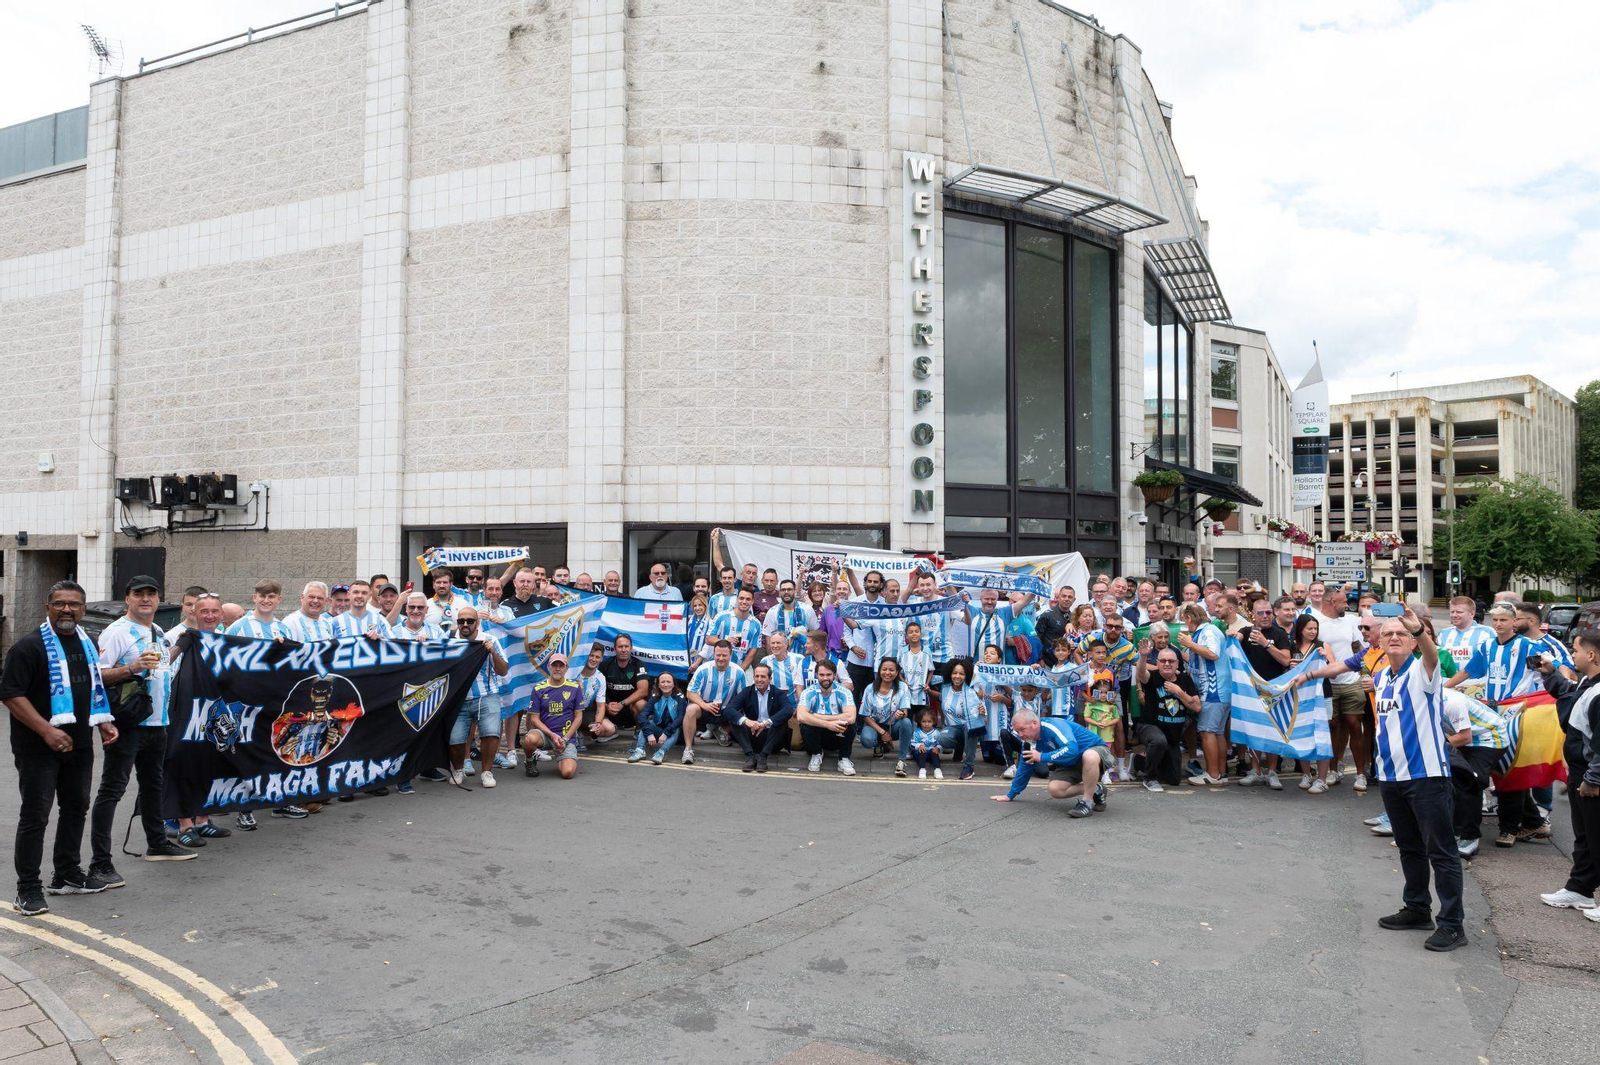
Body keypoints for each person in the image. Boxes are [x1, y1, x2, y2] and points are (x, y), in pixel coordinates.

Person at [1320, 606, 1469, 952]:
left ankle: (1452, 924)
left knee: (1442, 853)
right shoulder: (1383, 676)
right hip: (1391, 777)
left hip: (1427, 776)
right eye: (1388, 634)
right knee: (1409, 848)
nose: (1394, 638)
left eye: (1401, 633)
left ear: (1413, 641)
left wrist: (1420, 632)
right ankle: (1417, 908)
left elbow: (1431, 655)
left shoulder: (1422, 671)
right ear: (1380, 643)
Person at [2, 581, 121, 913]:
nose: (67, 609)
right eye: (60, 604)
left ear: (83, 610)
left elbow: (90, 688)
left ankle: (67, 874)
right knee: (35, 816)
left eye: (74, 604)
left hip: (79, 743)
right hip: (37, 748)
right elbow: (11, 694)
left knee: (74, 809)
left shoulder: (86, 643)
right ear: (48, 608)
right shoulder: (29, 647)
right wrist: (46, 730)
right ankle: (27, 888)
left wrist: (102, 721)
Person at [92, 575, 196, 873]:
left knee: (153, 786)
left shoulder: (158, 629)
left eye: (151, 594)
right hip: (128, 722)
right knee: (112, 790)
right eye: (139, 594)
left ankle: (157, 842)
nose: (146, 599)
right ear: (127, 598)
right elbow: (98, 677)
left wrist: (182, 646)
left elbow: (161, 667)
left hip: (157, 723)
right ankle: (101, 861)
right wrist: (131, 668)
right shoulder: (117, 632)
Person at [1446, 603, 1546, 844]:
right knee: (1501, 771)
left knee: (1509, 771)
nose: (1499, 624)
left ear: (1515, 622)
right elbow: (1469, 671)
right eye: (1495, 620)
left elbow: (1546, 672)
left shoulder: (1527, 646)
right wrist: (1443, 688)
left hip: (1518, 711)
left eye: (1504, 620)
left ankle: (1509, 827)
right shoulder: (1487, 646)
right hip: (1493, 710)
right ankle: (1533, 821)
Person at [1535, 634, 1600, 918]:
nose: (1571, 656)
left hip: (1591, 777)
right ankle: (1580, 888)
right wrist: (1549, 674)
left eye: (1575, 651)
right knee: (1585, 837)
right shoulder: (1588, 683)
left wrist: (1593, 779)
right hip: (1579, 772)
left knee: (1597, 838)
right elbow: (1569, 697)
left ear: (1592, 655)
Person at [991, 711, 1109, 818]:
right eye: (1017, 732)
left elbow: (1072, 749)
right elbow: (1025, 766)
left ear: (1035, 723)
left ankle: (1086, 803)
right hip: (1072, 763)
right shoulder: (1029, 741)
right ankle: (1097, 789)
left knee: (1089, 756)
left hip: (1096, 752)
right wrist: (1010, 795)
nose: (1020, 735)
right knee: (1055, 789)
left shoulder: (1052, 726)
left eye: (1023, 729)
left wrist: (1041, 756)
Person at [1313, 588, 1368, 790]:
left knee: (1355, 724)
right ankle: (1334, 770)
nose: (1347, 605)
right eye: (1344, 602)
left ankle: (1361, 774)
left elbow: (1357, 648)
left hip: (1351, 680)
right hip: (1327, 683)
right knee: (1333, 727)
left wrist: (1367, 670)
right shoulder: (1315, 621)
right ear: (1332, 602)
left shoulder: (1350, 621)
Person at [446, 608, 508, 787]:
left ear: (477, 623)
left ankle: (487, 772)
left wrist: (492, 652)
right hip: (458, 698)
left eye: (470, 621)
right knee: (455, 739)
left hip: (486, 695)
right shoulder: (449, 640)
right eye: (461, 621)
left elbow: (503, 670)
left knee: (490, 734)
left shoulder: (490, 640)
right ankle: (458, 770)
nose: (465, 624)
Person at [1236, 597, 1293, 789]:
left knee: (1273, 731)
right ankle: (1255, 770)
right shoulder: (1246, 631)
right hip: (1251, 690)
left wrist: (1265, 644)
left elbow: (1286, 660)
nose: (1265, 616)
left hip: (1273, 690)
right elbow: (1235, 642)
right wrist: (1231, 634)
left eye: (1268, 612)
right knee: (1253, 730)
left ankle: (1272, 772)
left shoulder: (1279, 634)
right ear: (1253, 614)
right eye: (1260, 613)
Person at [1176, 602, 1228, 786]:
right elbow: (1202, 659)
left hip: (1213, 690)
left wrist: (1190, 644)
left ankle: (1212, 775)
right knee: (1217, 732)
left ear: (1189, 617)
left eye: (1184, 621)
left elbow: (1213, 654)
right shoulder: (1206, 631)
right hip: (1219, 690)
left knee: (1207, 732)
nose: (1185, 625)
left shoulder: (1208, 631)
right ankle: (1220, 773)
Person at [1135, 647, 1200, 792]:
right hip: (1149, 726)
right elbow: (1140, 674)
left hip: (1172, 736)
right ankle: (1150, 778)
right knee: (1158, 741)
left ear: (1177, 663)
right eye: (1163, 660)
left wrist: (1179, 692)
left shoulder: (1185, 680)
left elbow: (1197, 707)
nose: (1167, 664)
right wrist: (1143, 656)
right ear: (1157, 663)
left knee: (1174, 779)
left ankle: (1138, 762)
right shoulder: (1152, 676)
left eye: (1171, 661)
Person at [685, 640, 748, 766]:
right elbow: (690, 693)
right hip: (705, 708)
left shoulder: (739, 672)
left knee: (744, 714)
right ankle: (688, 750)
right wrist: (704, 705)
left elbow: (743, 698)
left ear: (730, 655)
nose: (720, 658)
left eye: (724, 655)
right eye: (718, 655)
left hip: (726, 711)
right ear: (713, 654)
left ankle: (722, 729)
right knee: (691, 709)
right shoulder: (703, 669)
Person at [723, 663, 794, 772]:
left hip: (772, 739)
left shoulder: (778, 693)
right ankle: (751, 756)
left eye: (763, 676)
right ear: (753, 677)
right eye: (757, 676)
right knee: (736, 721)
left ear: (770, 678)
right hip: (753, 735)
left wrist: (766, 723)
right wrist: (747, 721)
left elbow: (788, 710)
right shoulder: (747, 691)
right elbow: (729, 710)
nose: (759, 679)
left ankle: (763, 757)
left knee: (781, 722)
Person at [522, 655, 583, 779]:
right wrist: (552, 735)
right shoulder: (539, 688)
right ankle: (529, 760)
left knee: (567, 773)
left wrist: (565, 739)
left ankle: (563, 757)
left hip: (566, 737)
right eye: (554, 665)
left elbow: (578, 717)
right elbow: (534, 719)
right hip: (545, 734)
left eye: (561, 666)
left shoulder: (575, 688)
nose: (557, 669)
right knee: (529, 740)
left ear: (566, 668)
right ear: (549, 667)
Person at [796, 661, 858, 775]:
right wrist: (828, 724)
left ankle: (843, 759)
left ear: (834, 675)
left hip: (837, 736)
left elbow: (851, 717)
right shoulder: (808, 692)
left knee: (851, 725)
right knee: (805, 724)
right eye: (821, 675)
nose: (825, 678)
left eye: (828, 675)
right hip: (818, 736)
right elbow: (800, 716)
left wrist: (818, 716)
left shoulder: (844, 692)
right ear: (816, 675)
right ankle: (816, 754)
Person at [857, 657, 911, 771]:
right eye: (884, 669)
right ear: (879, 671)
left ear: (897, 673)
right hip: (874, 726)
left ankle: (902, 759)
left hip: (893, 726)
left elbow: (905, 712)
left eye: (891, 670)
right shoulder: (869, 689)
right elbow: (864, 715)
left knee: (907, 722)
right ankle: (879, 744)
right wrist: (882, 732)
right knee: (867, 739)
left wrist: (901, 714)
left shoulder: (902, 687)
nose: (887, 673)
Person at [597, 634, 650, 740]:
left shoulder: (639, 664)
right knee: (593, 704)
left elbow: (643, 691)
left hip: (629, 709)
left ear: (631, 648)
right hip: (609, 709)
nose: (623, 649)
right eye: (620, 647)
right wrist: (606, 706)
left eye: (626, 646)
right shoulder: (605, 665)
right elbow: (595, 690)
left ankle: (639, 730)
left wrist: (621, 704)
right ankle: (610, 729)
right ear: (614, 649)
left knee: (641, 704)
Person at [629, 673, 686, 764]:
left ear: (673, 684)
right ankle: (640, 750)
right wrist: (649, 734)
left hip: (677, 735)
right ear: (658, 685)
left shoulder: (680, 699)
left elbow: (680, 719)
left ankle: (661, 752)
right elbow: (642, 716)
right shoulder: (654, 698)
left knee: (676, 728)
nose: (666, 684)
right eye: (662, 682)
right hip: (660, 731)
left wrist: (666, 733)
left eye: (668, 682)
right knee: (648, 724)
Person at [703, 588, 763, 669]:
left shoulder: (756, 624)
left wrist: (740, 671)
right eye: (741, 598)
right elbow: (708, 639)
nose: (744, 602)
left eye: (748, 599)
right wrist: (724, 642)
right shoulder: (721, 617)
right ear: (737, 599)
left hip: (740, 668)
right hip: (718, 667)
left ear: (752, 602)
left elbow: (753, 651)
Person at [1438, 596, 1493, 672]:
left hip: (1477, 682)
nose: (1454, 615)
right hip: (1448, 682)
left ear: (1472, 614)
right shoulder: (1443, 634)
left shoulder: (1487, 632)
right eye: (1452, 612)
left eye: (1459, 612)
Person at [762, 579, 817, 648]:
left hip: (805, 654)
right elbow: (768, 639)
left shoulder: (807, 609)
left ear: (795, 592)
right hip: (780, 655)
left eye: (789, 589)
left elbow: (814, 633)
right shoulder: (772, 612)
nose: (786, 592)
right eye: (783, 590)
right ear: (779, 593)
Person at [909, 709, 943, 780]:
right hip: (920, 754)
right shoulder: (917, 732)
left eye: (929, 722)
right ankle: (922, 770)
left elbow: (941, 743)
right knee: (922, 751)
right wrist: (919, 746)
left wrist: (938, 748)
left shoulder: (936, 733)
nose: (926, 724)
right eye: (924, 721)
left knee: (934, 752)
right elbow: (912, 743)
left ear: (933, 722)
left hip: (931, 754)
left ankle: (937, 770)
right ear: (920, 722)